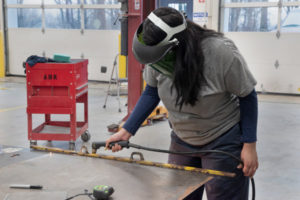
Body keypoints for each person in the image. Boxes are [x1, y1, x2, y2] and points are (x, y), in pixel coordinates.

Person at [106, 7, 258, 200]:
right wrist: (127, 130)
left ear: (175, 47)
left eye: (157, 61)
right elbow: (152, 92)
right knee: (180, 195)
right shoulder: (156, 56)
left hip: (222, 139)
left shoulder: (220, 52)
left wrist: (249, 145)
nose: (154, 68)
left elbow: (248, 95)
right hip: (182, 138)